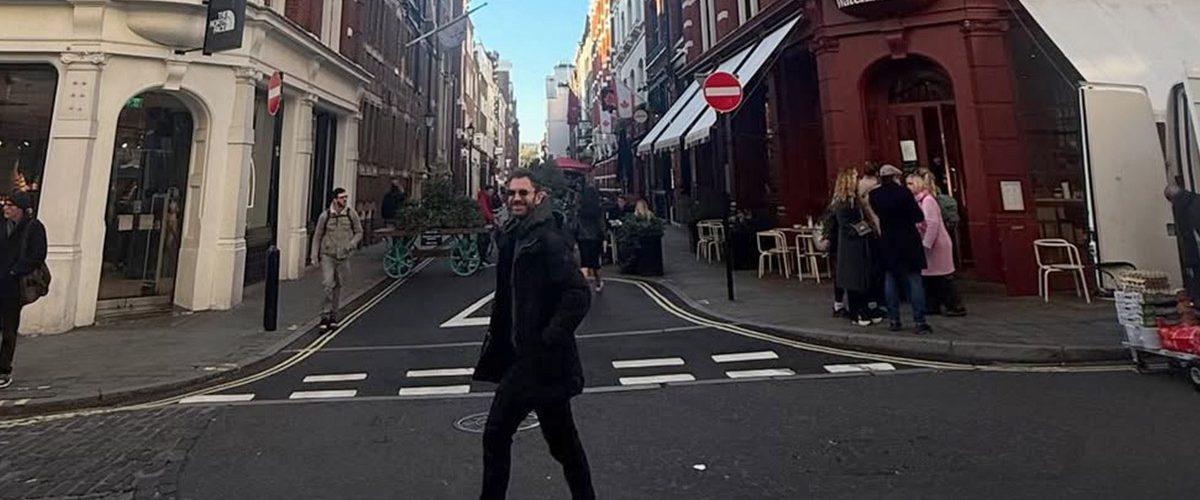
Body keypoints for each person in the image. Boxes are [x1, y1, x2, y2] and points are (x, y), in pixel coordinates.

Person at [473, 169, 595, 500]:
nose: (516, 198)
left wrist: (549, 337)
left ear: (537, 197)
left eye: (523, 193)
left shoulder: (547, 239)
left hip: (539, 360)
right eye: (511, 193)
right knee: (563, 444)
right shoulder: (514, 235)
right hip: (529, 360)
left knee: (497, 433)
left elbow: (578, 294)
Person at [869, 165, 932, 334]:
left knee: (890, 280)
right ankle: (919, 321)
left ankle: (894, 320)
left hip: (888, 241)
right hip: (908, 240)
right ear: (895, 177)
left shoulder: (874, 195)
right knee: (914, 280)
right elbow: (918, 216)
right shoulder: (904, 193)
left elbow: (877, 214)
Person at [0, 192, 47, 389]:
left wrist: (15, 270)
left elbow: (38, 255)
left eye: (10, 206)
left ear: (21, 209)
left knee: (9, 328)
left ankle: (4, 370)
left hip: (14, 285)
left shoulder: (33, 227)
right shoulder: (2, 225)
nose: (6, 208)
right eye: (5, 205)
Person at [819, 169, 878, 326]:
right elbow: (848, 228)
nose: (858, 181)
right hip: (850, 248)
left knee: (862, 280)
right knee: (854, 281)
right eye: (856, 178)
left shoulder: (856, 201)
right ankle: (857, 313)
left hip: (859, 247)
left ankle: (863, 310)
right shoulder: (843, 204)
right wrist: (867, 227)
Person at [908, 174, 966, 316]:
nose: (908, 187)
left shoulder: (928, 201)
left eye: (910, 184)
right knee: (930, 277)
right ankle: (933, 305)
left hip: (937, 244)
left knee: (943, 276)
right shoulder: (918, 201)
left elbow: (932, 224)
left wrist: (926, 243)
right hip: (928, 243)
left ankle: (954, 305)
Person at [310, 188, 363, 329]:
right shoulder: (325, 216)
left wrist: (352, 244)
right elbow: (317, 236)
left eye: (345, 197)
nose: (344, 200)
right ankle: (324, 315)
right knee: (328, 284)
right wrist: (314, 255)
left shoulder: (351, 214)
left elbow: (359, 232)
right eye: (341, 197)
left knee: (338, 286)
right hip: (328, 255)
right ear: (335, 200)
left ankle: (334, 315)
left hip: (344, 256)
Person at [576, 184, 606, 292]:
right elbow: (601, 224)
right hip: (595, 238)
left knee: (584, 262)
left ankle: (583, 285)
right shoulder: (598, 208)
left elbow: (576, 223)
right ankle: (598, 283)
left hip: (582, 237)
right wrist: (604, 237)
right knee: (595, 263)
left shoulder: (580, 208)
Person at [477, 186, 497, 264]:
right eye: (490, 192)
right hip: (482, 221)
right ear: (486, 191)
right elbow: (485, 209)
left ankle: (482, 258)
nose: (491, 194)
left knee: (485, 240)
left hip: (484, 221)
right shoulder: (483, 198)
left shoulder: (486, 197)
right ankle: (482, 259)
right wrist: (492, 218)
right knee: (484, 240)